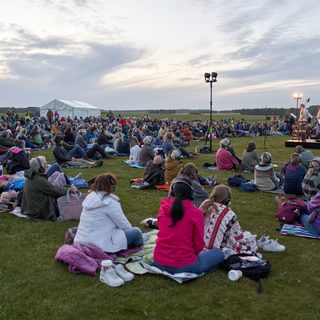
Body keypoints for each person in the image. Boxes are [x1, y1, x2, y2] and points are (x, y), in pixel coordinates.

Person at [152, 178, 224, 275]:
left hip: (158, 261)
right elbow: (198, 244)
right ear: (191, 193)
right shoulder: (195, 213)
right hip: (184, 266)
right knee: (219, 253)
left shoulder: (163, 208)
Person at [74, 173, 144, 253]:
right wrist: (130, 233)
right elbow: (123, 224)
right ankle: (138, 245)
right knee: (136, 232)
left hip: (81, 241)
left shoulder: (90, 198)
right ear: (112, 186)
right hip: (101, 245)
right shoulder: (110, 202)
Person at [199, 185, 254, 254]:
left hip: (199, 247)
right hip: (217, 251)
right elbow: (239, 237)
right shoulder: (229, 214)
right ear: (228, 200)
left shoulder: (205, 206)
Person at [21, 156, 77, 220]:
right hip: (39, 211)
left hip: (31, 208)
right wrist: (70, 190)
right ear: (40, 167)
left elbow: (52, 189)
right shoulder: (39, 180)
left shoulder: (32, 176)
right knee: (64, 195)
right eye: (45, 164)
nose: (47, 166)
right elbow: (55, 191)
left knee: (64, 188)